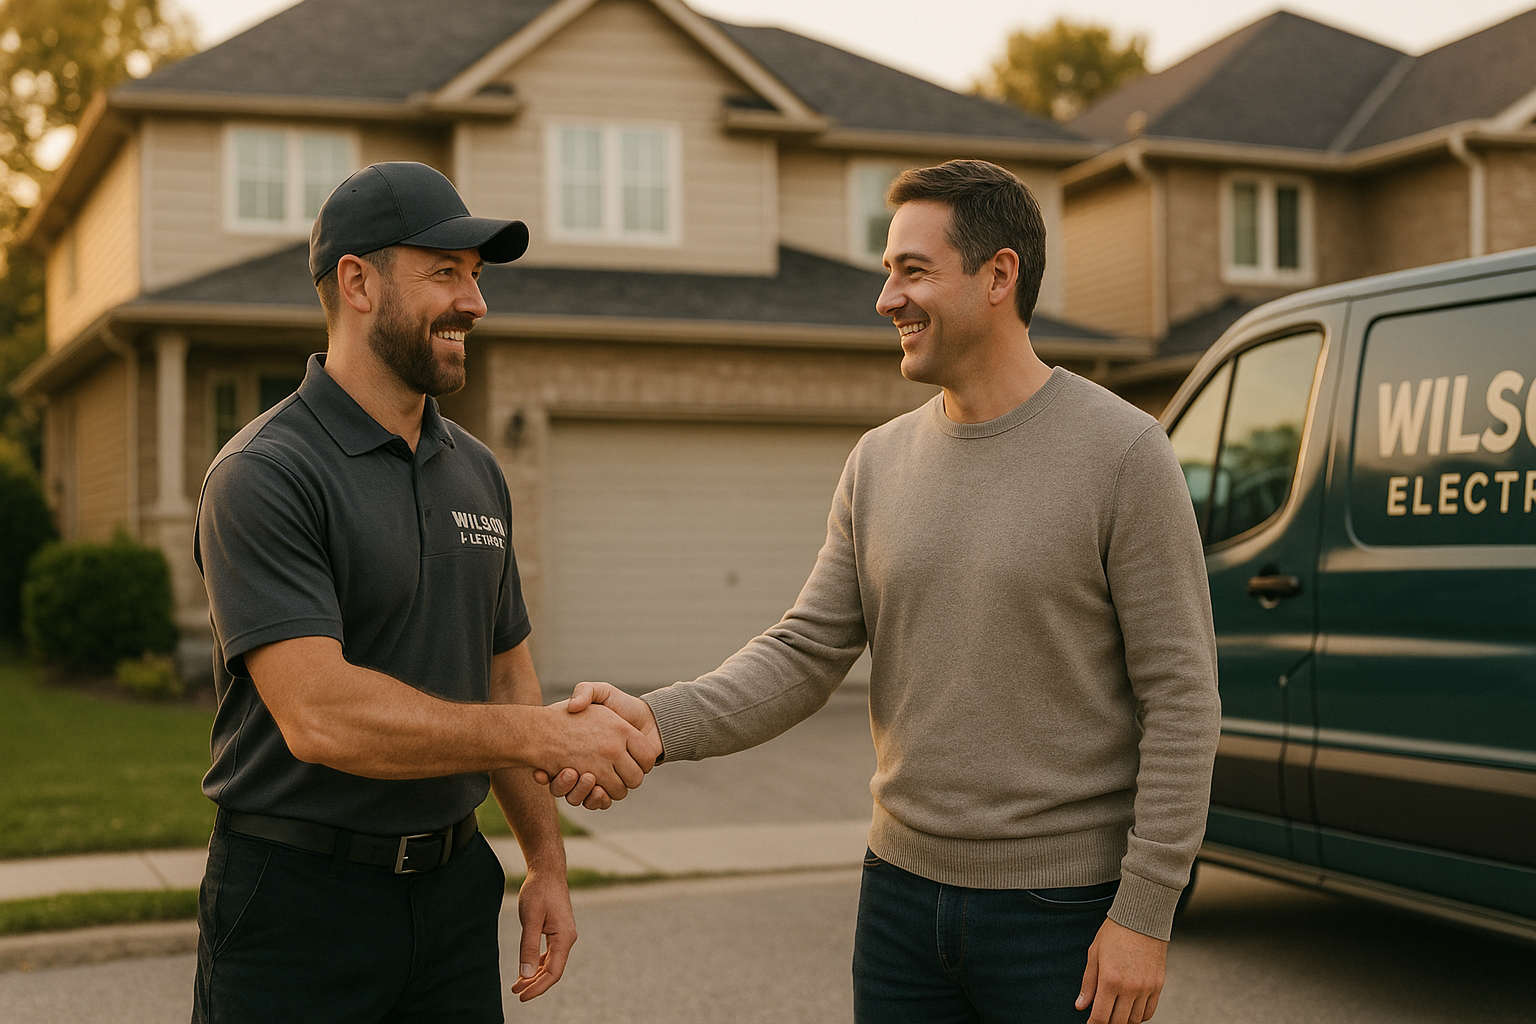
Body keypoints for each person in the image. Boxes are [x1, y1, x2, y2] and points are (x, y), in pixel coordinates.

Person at [543, 159, 1220, 1024]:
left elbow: (1183, 699)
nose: (885, 298)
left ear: (999, 276)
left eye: (913, 270)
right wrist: (654, 722)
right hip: (899, 901)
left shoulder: (1124, 454)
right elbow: (804, 651)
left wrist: (1145, 915)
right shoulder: (878, 462)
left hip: (1062, 916)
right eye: (886, 271)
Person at [191, 161, 661, 1024]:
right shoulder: (265, 474)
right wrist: (551, 736)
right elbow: (320, 714)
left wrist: (545, 864)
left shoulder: (476, 470)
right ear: (357, 282)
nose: (475, 304)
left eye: (475, 278)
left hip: (451, 895)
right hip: (298, 902)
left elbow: (505, 675)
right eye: (445, 273)